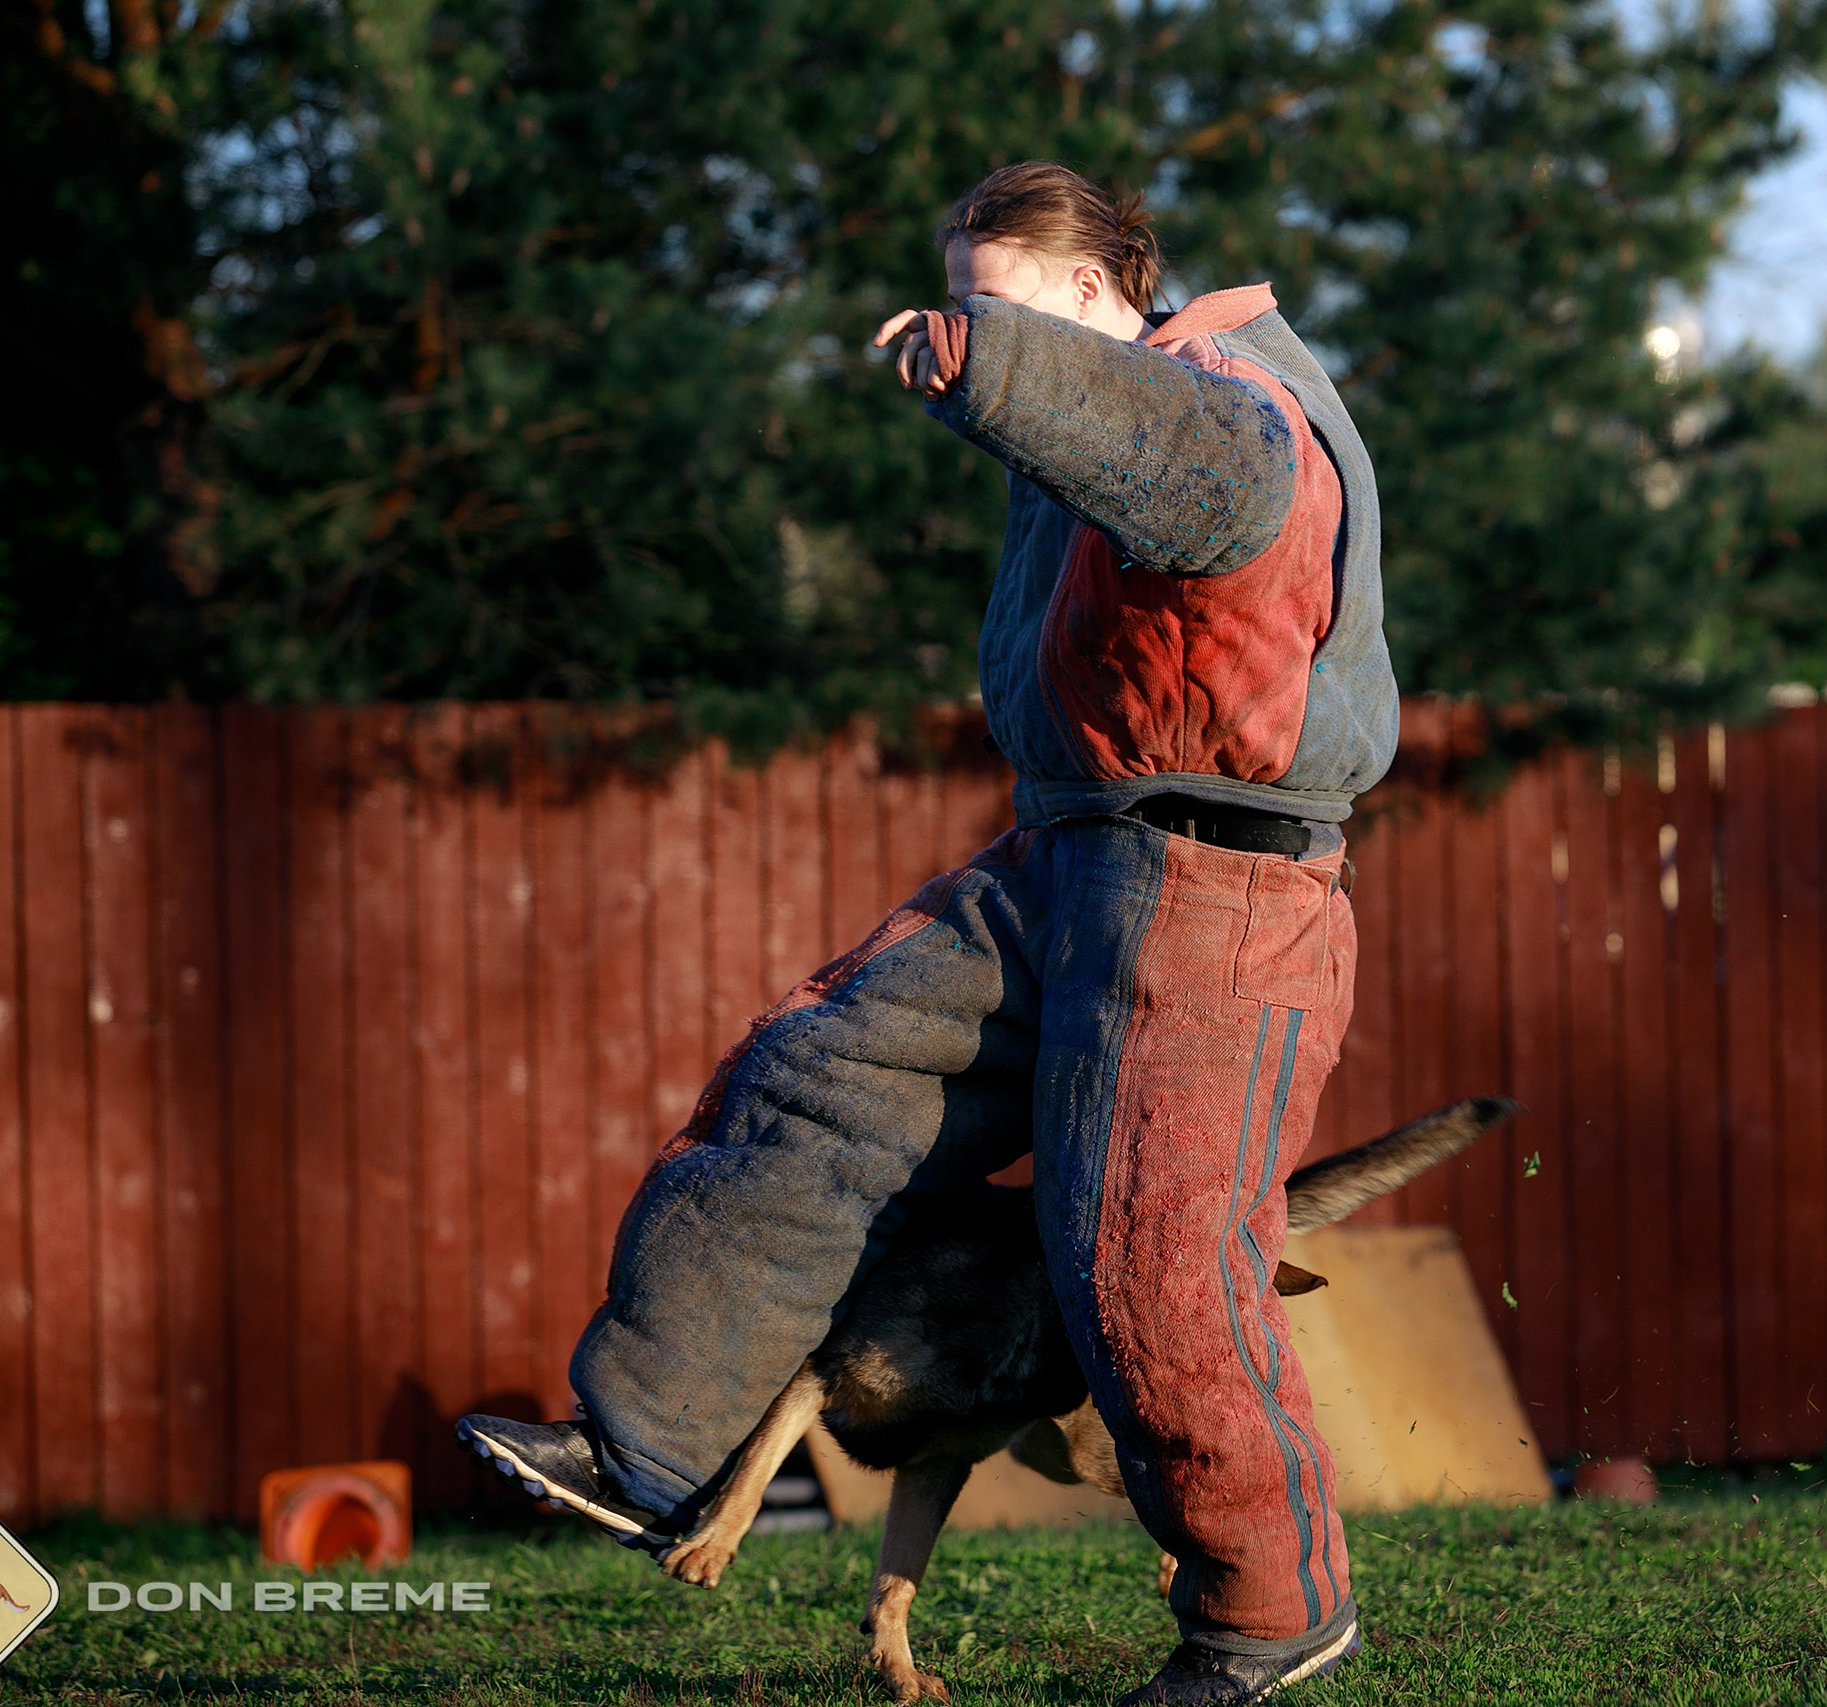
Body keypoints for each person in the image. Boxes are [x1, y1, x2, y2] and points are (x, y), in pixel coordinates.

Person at [458, 161, 1397, 1706]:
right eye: (960, 301)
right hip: (1066, 852)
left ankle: (1265, 1611)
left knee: (1151, 1261)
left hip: (1224, 889)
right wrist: (1003, 366)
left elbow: (1209, 485)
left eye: (998, 302)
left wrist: (997, 365)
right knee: (821, 1078)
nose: (958, 331)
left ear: (1097, 296)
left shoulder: (1229, 391)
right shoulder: (1085, 422)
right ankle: (648, 1451)